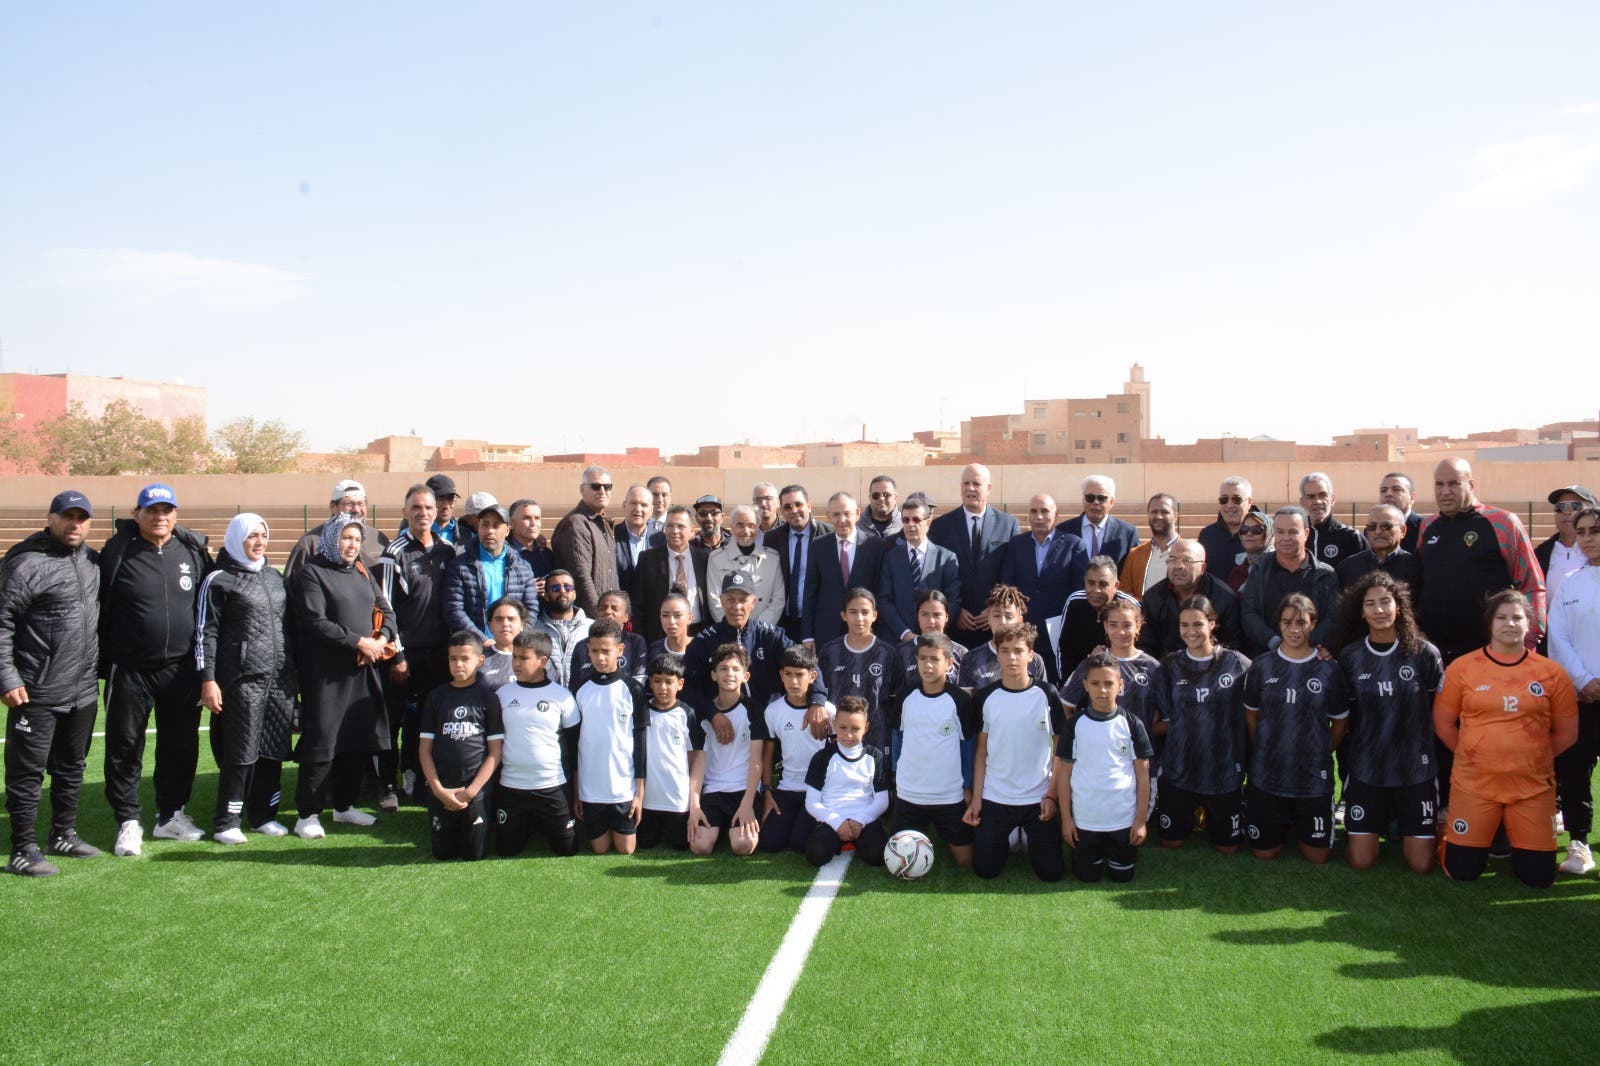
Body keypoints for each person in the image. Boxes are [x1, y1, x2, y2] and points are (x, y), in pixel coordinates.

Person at [1434, 590, 1577, 888]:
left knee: (1538, 878)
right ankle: (1448, 832)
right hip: (1474, 785)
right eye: (1501, 618)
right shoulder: (1463, 668)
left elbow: (1567, 733)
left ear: (1529, 625)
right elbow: (1444, 723)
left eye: (1517, 618)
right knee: (1461, 872)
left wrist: (1533, 758)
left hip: (1532, 787)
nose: (1509, 624)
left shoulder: (1552, 673)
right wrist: (1470, 754)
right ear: (1489, 624)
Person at [100, 482, 214, 852]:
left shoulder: (191, 551)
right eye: (152, 510)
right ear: (137, 515)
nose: (159, 517)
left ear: (175, 515)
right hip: (131, 668)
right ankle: (128, 820)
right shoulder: (118, 551)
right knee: (125, 745)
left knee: (179, 746)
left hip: (181, 669)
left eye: (166, 511)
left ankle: (171, 815)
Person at [1, 491, 102, 876]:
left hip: (81, 688)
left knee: (72, 766)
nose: (75, 524)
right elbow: (2, 622)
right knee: (27, 773)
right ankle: (23, 849)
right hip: (36, 689)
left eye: (82, 517)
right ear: (51, 517)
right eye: (67, 516)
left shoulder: (92, 562)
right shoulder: (26, 563)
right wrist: (7, 676)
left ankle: (63, 833)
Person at [288, 514, 396, 840]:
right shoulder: (313, 573)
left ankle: (344, 806)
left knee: (356, 738)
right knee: (323, 742)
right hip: (326, 676)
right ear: (332, 538)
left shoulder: (362, 572)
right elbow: (315, 622)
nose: (351, 545)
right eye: (345, 538)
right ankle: (307, 814)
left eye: (356, 539)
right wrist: (358, 642)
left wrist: (379, 641)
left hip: (363, 669)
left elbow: (386, 611)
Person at [196, 513, 297, 845]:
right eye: (251, 536)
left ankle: (263, 815)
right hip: (241, 681)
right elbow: (205, 634)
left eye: (263, 536)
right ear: (236, 538)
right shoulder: (219, 580)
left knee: (272, 751)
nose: (259, 542)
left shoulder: (274, 577)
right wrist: (208, 679)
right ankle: (227, 821)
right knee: (241, 754)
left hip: (279, 679)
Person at [1335, 570, 1444, 874]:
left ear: (1399, 606)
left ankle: (1401, 822)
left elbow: (1440, 713)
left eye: (1386, 602)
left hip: (1415, 768)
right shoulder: (1351, 656)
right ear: (1361, 610)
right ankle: (1381, 822)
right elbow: (1346, 718)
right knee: (1361, 861)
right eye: (1371, 604)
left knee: (1421, 864)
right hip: (1368, 767)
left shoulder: (1424, 653)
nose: (1379, 610)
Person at [1242, 594, 1348, 864]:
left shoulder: (1329, 669)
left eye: (1301, 622)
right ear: (1278, 624)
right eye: (1287, 622)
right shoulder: (1262, 666)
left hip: (1312, 775)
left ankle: (1297, 821)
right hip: (1268, 773)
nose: (1294, 629)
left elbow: (1339, 724)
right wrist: (1267, 746)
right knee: (1263, 854)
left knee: (1317, 857)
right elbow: (1251, 718)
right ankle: (1281, 821)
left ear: (1313, 623)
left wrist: (1319, 749)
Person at [375, 483, 461, 808]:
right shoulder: (394, 553)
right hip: (403, 656)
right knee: (393, 720)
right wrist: (396, 654)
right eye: (416, 508)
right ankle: (387, 784)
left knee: (428, 720)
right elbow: (384, 609)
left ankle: (420, 778)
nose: (423, 513)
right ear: (405, 512)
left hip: (439, 656)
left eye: (428, 507)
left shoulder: (448, 550)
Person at [1417, 457, 1546, 665]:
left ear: (1471, 485)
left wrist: (1529, 638)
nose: (1445, 491)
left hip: (1489, 651)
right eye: (1439, 484)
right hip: (1435, 652)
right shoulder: (1428, 526)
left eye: (1454, 483)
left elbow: (1532, 583)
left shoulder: (1503, 523)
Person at [964, 622, 1066, 882]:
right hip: (997, 796)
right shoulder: (985, 696)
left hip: (1038, 797)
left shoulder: (1046, 694)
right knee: (986, 870)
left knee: (1051, 873)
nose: (1011, 657)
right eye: (1005, 650)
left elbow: (1060, 750)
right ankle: (1012, 834)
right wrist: (977, 799)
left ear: (1031, 655)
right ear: (997, 653)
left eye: (1019, 651)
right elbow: (981, 751)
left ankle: (1023, 834)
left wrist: (1052, 796)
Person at [1154, 596, 1251, 853]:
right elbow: (1162, 718)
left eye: (1197, 624)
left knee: (1228, 848)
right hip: (1180, 766)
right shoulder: (1169, 666)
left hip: (1223, 768)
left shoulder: (1237, 663)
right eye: (1184, 625)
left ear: (1212, 624)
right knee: (1171, 843)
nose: (1190, 631)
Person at [1057, 651, 1153, 884]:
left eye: (1109, 683)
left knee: (1122, 877)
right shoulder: (1075, 725)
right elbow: (1064, 776)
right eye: (1095, 684)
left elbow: (1143, 776)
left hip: (1122, 820)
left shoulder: (1131, 724)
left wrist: (1140, 821)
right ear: (1085, 686)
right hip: (1086, 821)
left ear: (1120, 685)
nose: (1102, 690)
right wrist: (1067, 820)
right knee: (1086, 877)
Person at [885, 632, 979, 868]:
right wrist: (897, 777)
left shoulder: (960, 701)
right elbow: (897, 738)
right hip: (909, 794)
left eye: (935, 659)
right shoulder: (906, 696)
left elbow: (968, 746)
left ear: (949, 663)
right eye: (923, 658)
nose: (928, 665)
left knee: (966, 862)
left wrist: (967, 786)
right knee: (895, 860)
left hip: (949, 795)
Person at [686, 573, 829, 725]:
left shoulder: (769, 635)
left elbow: (808, 663)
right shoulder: (705, 640)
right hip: (723, 724)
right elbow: (687, 686)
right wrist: (712, 713)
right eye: (730, 599)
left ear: (753, 602)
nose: (737, 606)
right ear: (721, 601)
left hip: (769, 724)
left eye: (743, 600)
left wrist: (817, 701)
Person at [491, 630, 580, 858]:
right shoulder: (502, 694)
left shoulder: (562, 696)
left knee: (566, 849)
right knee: (506, 850)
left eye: (523, 658)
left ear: (543, 661)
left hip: (552, 785)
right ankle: (527, 823)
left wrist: (575, 790)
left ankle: (540, 822)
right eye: (514, 657)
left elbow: (573, 746)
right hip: (512, 786)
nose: (516, 664)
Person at [1060, 600, 1162, 792]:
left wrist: (1140, 736)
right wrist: (1084, 735)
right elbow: (1065, 706)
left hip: (1139, 762)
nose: (1120, 632)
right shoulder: (1092, 663)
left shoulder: (1152, 667)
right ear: (1105, 626)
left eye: (1127, 625)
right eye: (1113, 625)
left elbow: (1166, 719)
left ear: (1139, 626)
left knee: (1137, 817)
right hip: (1097, 760)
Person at [417, 634, 503, 861]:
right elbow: (425, 749)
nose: (458, 664)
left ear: (480, 660)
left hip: (475, 792)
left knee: (474, 855)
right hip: (442, 791)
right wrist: (438, 790)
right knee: (442, 854)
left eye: (465, 658)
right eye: (453, 659)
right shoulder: (436, 697)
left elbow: (495, 752)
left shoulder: (488, 699)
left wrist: (472, 791)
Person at [1547, 506, 1600, 875]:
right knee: (1575, 770)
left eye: (1595, 530)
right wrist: (1583, 680)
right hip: (1583, 697)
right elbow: (1559, 637)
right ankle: (1579, 845)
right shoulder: (1571, 583)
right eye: (1581, 532)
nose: (1588, 538)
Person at [571, 618, 648, 855]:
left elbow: (640, 740)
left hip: (622, 787)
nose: (601, 657)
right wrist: (577, 792)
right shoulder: (580, 689)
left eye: (606, 651)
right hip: (591, 788)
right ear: (588, 651)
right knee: (600, 849)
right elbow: (574, 743)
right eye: (595, 651)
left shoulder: (632, 689)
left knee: (626, 849)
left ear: (620, 650)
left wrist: (639, 794)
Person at [930, 463, 1020, 648]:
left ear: (988, 488)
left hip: (993, 626)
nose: (970, 488)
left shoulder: (1008, 524)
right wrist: (954, 611)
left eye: (976, 484)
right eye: (966, 483)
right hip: (955, 626)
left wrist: (995, 609)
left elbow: (1011, 572)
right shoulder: (941, 526)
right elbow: (935, 575)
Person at [689, 643, 766, 856]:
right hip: (713, 790)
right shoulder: (705, 714)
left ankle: (729, 828)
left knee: (743, 845)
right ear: (714, 675)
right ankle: (718, 828)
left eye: (735, 669)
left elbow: (756, 761)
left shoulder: (754, 710)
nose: (729, 674)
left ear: (746, 676)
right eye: (723, 668)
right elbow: (699, 763)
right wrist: (694, 806)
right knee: (700, 846)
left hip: (743, 789)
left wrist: (748, 803)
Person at [759, 646, 835, 854]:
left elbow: (840, 753)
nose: (793, 681)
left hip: (817, 790)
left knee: (800, 844)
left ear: (812, 676)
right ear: (781, 675)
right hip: (787, 788)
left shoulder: (828, 711)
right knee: (769, 843)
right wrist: (767, 792)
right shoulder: (773, 711)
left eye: (799, 675)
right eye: (788, 674)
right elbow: (767, 755)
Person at [803, 696, 891, 868]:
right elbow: (812, 802)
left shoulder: (874, 756)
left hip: (863, 818)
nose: (848, 735)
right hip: (832, 818)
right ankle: (840, 840)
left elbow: (882, 800)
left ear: (866, 728)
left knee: (877, 856)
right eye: (843, 728)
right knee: (816, 854)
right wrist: (837, 822)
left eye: (855, 729)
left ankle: (856, 839)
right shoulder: (822, 757)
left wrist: (860, 820)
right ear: (834, 724)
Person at [1239, 506, 1340, 655]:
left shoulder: (1325, 574)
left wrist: (1307, 644)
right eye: (1280, 532)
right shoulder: (1259, 569)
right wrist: (1275, 643)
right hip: (1267, 656)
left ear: (1306, 534)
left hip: (1311, 656)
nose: (1286, 538)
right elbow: (1249, 613)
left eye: (1293, 532)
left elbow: (1332, 617)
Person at [443, 501, 537, 648]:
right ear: (478, 528)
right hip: (474, 647)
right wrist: (483, 640)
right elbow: (454, 609)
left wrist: (517, 638)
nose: (490, 531)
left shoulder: (522, 567)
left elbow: (531, 607)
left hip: (512, 648)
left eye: (496, 525)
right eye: (485, 524)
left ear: (507, 530)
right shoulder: (460, 565)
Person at [816, 589, 902, 749]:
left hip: (876, 738)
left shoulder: (887, 653)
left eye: (865, 612)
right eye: (853, 612)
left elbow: (894, 701)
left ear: (874, 616)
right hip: (839, 737)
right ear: (843, 615)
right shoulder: (830, 651)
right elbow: (821, 693)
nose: (859, 618)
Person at [998, 492, 1089, 639]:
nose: (1038, 517)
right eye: (1033, 511)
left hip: (1059, 625)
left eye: (1044, 511)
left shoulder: (1073, 545)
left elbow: (1079, 589)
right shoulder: (1016, 544)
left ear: (1056, 514)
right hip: (1023, 625)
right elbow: (1008, 583)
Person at [637, 653, 703, 851]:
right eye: (657, 681)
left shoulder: (686, 713)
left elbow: (693, 755)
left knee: (680, 844)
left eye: (669, 682)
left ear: (680, 684)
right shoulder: (642, 712)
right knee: (645, 843)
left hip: (676, 798)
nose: (663, 687)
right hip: (648, 798)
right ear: (650, 682)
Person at [804, 492, 885, 647]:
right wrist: (808, 636)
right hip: (827, 631)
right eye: (836, 514)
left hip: (865, 629)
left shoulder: (875, 545)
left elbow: (880, 590)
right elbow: (810, 592)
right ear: (828, 516)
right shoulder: (818, 546)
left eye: (847, 514)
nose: (842, 520)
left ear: (857, 514)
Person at [1139, 538, 1243, 659]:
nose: (1179, 566)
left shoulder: (1224, 598)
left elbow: (1232, 646)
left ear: (1203, 568)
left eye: (1187, 560)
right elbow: (1146, 646)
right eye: (1172, 560)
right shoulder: (1153, 598)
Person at [876, 493, 961, 642]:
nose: (910, 524)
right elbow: (884, 600)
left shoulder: (946, 558)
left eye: (916, 519)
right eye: (906, 520)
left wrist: (934, 630)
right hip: (898, 641)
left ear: (928, 523)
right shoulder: (890, 558)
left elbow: (953, 601)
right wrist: (905, 633)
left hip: (935, 641)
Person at [1048, 556, 1139, 682]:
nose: (1096, 590)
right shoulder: (1075, 602)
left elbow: (1139, 651)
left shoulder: (1130, 607)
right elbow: (1064, 650)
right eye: (1091, 583)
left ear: (1116, 585)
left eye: (1103, 584)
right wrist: (1070, 686)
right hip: (1080, 681)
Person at [633, 505, 711, 643]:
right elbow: (638, 604)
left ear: (692, 531)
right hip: (660, 635)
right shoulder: (648, 559)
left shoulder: (705, 559)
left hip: (699, 633)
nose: (675, 531)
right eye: (670, 526)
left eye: (680, 526)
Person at [552, 465, 620, 619]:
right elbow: (581, 578)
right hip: (587, 620)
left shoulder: (602, 522)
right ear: (582, 490)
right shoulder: (576, 523)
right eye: (596, 487)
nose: (602, 491)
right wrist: (600, 617)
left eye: (607, 487)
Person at [284, 479, 389, 576]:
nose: (356, 509)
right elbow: (292, 584)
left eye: (361, 504)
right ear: (333, 507)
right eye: (349, 504)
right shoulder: (311, 542)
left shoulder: (378, 538)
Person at [706, 505, 785, 628]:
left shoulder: (772, 558)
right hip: (728, 632)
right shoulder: (716, 559)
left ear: (757, 527)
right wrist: (732, 627)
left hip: (763, 632)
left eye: (751, 525)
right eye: (740, 525)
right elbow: (715, 600)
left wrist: (758, 630)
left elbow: (778, 600)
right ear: (731, 527)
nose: (746, 531)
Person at [767, 484, 829, 641]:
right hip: (783, 623)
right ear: (782, 512)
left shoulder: (829, 535)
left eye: (798, 504)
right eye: (787, 507)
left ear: (809, 506)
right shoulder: (772, 539)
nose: (794, 510)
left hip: (818, 621)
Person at [960, 585, 1047, 691]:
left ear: (1020, 620)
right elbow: (966, 705)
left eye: (1009, 617)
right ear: (988, 619)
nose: (1003, 622)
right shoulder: (970, 658)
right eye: (997, 616)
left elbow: (1041, 699)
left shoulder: (1034, 660)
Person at [568, 590, 648, 688]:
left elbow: (638, 684)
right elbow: (574, 686)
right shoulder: (582, 646)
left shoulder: (636, 642)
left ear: (626, 616)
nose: (608, 612)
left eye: (615, 608)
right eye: (603, 608)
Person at [1059, 475, 1140, 569]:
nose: (1096, 502)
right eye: (1090, 497)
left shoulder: (1127, 533)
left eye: (1102, 498)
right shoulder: (1063, 531)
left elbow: (1134, 570)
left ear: (1112, 502)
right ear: (1083, 500)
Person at [1537, 485, 1597, 608]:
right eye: (1560, 507)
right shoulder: (1540, 554)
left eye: (1576, 506)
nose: (1567, 511)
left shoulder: (1595, 553)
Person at [1337, 505, 1421, 592]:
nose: (1378, 531)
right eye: (1372, 526)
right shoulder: (1347, 568)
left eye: (1386, 526)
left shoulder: (1415, 567)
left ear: (1402, 530)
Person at [533, 570, 591, 689]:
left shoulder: (591, 627)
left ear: (574, 594)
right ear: (547, 595)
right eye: (555, 588)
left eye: (567, 587)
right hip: (547, 699)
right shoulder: (534, 629)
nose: (562, 591)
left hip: (584, 697)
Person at [896, 590, 965, 690]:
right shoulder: (902, 652)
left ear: (946, 617)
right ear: (917, 616)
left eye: (937, 615)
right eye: (924, 614)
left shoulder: (960, 653)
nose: (931, 621)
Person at [1299, 472, 1364, 568]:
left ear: (1332, 499)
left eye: (1322, 495)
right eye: (1311, 497)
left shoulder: (1351, 537)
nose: (1317, 501)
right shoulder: (1296, 538)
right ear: (1302, 502)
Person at [1119, 494, 1180, 595]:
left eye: (1165, 512)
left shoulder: (1188, 553)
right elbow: (1125, 592)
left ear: (1175, 517)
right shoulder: (1135, 555)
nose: (1158, 516)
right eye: (1154, 512)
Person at [1198, 476, 1254, 577]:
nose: (1229, 505)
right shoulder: (1207, 535)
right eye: (1224, 499)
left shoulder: (1261, 534)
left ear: (1250, 502)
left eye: (1236, 499)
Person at [614, 484, 663, 592]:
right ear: (624, 505)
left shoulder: (660, 539)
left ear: (651, 510)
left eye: (644, 505)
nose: (638, 509)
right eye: (633, 503)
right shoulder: (612, 536)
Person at [478, 597, 528, 691]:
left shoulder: (536, 658)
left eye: (511, 619)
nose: (505, 624)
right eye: (499, 619)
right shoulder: (479, 660)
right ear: (490, 625)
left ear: (522, 624)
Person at [508, 499, 556, 583]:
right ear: (511, 523)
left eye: (537, 518)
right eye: (527, 518)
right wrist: (527, 588)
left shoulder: (546, 554)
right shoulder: (501, 553)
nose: (533, 523)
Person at [1224, 508, 1270, 591]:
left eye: (1256, 530)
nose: (1249, 534)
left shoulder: (1275, 566)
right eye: (1244, 529)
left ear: (1268, 534)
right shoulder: (1238, 570)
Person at [1379, 472, 1422, 553]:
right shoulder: (1371, 529)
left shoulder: (1425, 528)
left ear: (1412, 498)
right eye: (1383, 490)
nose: (1388, 494)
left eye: (1397, 489)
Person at [649, 593, 696, 663]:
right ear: (660, 618)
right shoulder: (654, 650)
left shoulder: (701, 648)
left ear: (690, 618)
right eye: (665, 615)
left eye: (678, 615)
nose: (671, 621)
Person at [424, 473, 462, 544]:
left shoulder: (467, 535)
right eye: (440, 498)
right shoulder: (413, 535)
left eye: (450, 498)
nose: (446, 506)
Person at [862, 475, 903, 539]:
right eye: (876, 495)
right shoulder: (857, 524)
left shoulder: (906, 523)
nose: (881, 498)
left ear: (895, 498)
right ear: (870, 498)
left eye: (886, 495)